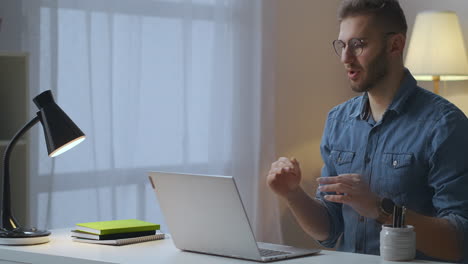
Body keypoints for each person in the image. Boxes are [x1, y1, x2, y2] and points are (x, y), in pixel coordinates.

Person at [267, 0, 468, 262]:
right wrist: (292, 194)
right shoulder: (338, 120)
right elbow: (329, 229)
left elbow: (459, 242)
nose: (345, 58)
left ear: (395, 45)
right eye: (342, 45)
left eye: (359, 44)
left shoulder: (445, 125)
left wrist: (380, 208)